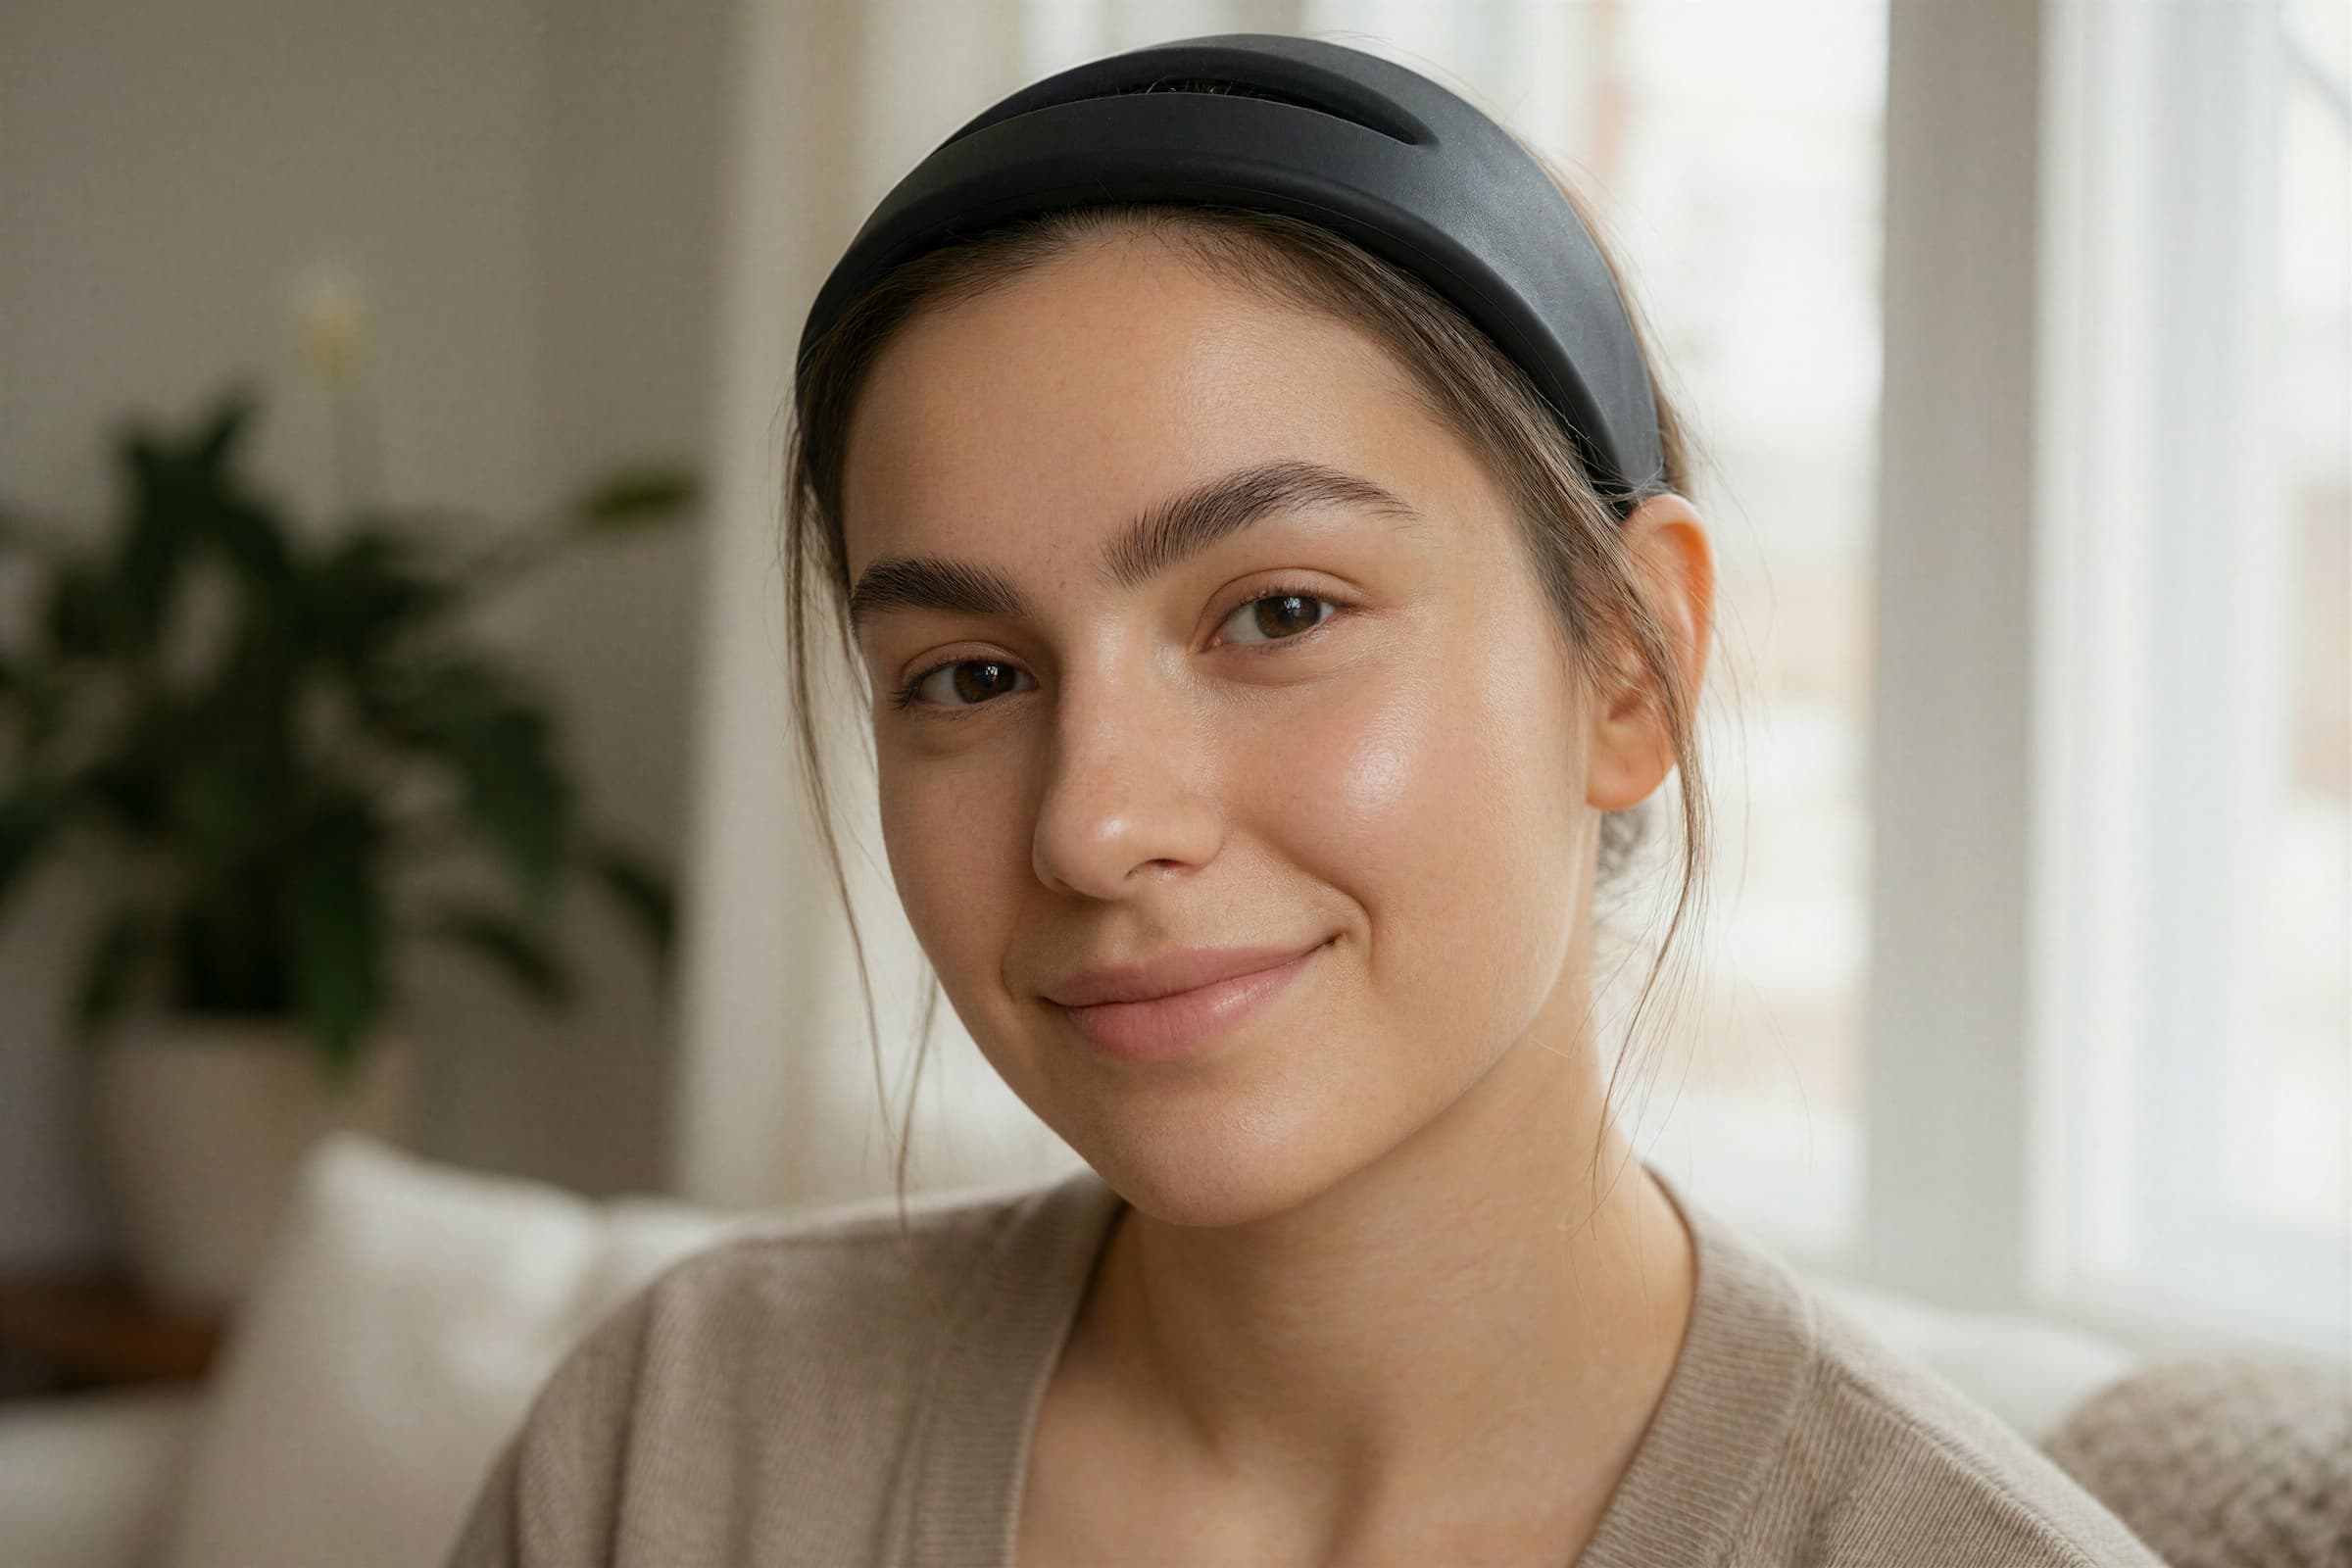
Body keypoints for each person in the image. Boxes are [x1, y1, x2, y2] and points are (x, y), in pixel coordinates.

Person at [445, 33, 2165, 1568]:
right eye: (971, 675)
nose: (1092, 826)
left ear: (1630, 664)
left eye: (1279, 613)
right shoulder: (677, 1452)